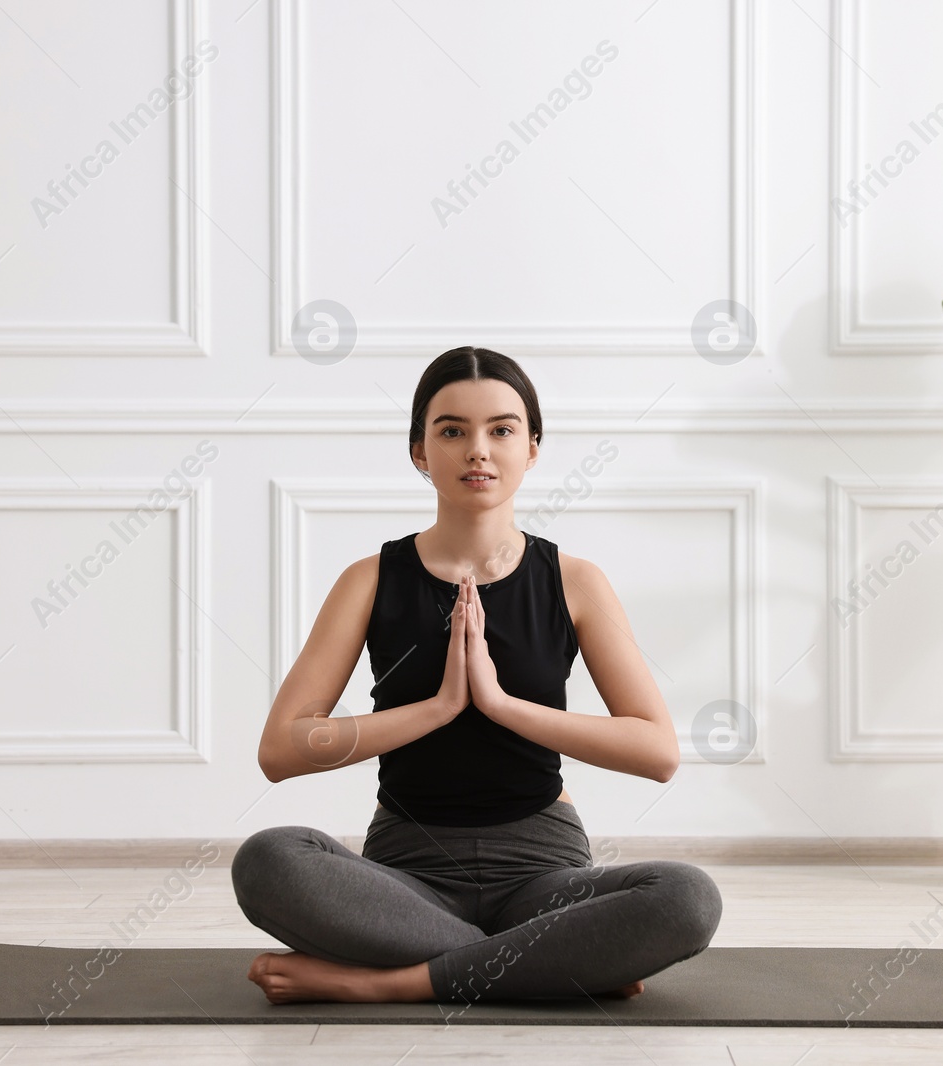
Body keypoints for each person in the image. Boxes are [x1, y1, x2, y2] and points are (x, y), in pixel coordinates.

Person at [231, 346, 722, 1007]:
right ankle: (545, 963)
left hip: (543, 874)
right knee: (268, 857)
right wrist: (438, 707)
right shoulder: (369, 581)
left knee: (687, 898)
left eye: (502, 429)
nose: (478, 450)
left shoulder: (574, 582)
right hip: (410, 874)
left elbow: (657, 752)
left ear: (533, 448)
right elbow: (281, 749)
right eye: (452, 430)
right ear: (419, 451)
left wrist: (497, 703)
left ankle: (390, 981)